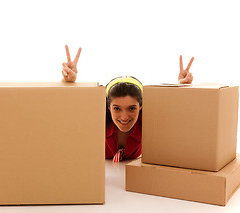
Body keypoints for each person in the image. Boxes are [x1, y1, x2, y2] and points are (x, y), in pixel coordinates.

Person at [61, 45, 194, 162]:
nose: (124, 117)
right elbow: (68, 113)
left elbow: (178, 121)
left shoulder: (148, 124)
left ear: (141, 106)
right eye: (117, 108)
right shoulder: (97, 122)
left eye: (131, 108)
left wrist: (182, 90)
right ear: (108, 107)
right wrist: (69, 82)